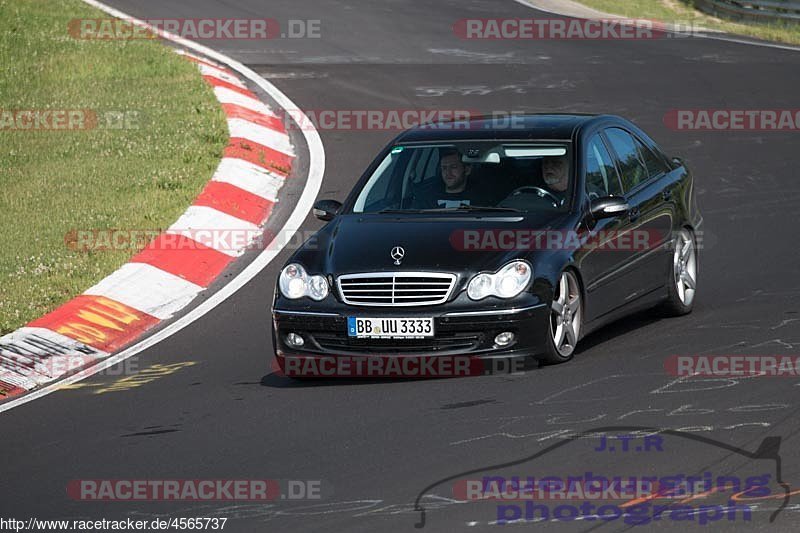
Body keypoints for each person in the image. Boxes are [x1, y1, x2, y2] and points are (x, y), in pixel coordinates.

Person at [411, 148, 488, 208]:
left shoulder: (481, 200)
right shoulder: (426, 198)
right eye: (444, 168)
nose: (448, 173)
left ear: (467, 170)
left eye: (453, 167)